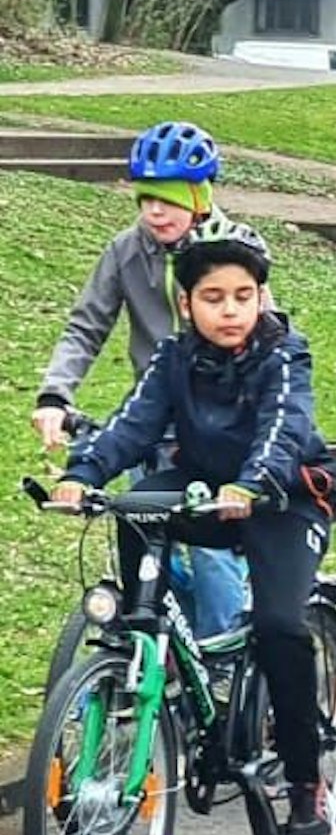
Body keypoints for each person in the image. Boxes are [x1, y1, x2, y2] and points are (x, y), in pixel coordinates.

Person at [53, 219, 336, 835]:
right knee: (133, 505)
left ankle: (302, 782)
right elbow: (131, 428)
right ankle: (141, 649)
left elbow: (283, 428)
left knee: (278, 628)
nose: (231, 310)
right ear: (185, 305)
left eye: (243, 295)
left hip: (283, 500)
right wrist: (82, 475)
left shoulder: (284, 353)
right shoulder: (173, 358)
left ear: (261, 297)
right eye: (213, 298)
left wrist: (253, 483)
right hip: (206, 492)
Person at [33, 121, 248, 636]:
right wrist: (54, 395)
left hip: (217, 430)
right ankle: (151, 670)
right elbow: (86, 326)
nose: (154, 211)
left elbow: (266, 338)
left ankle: (222, 672)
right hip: (149, 424)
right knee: (138, 539)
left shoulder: (235, 252)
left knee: (211, 558)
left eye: (168, 199)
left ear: (199, 196)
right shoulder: (127, 251)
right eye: (145, 198)